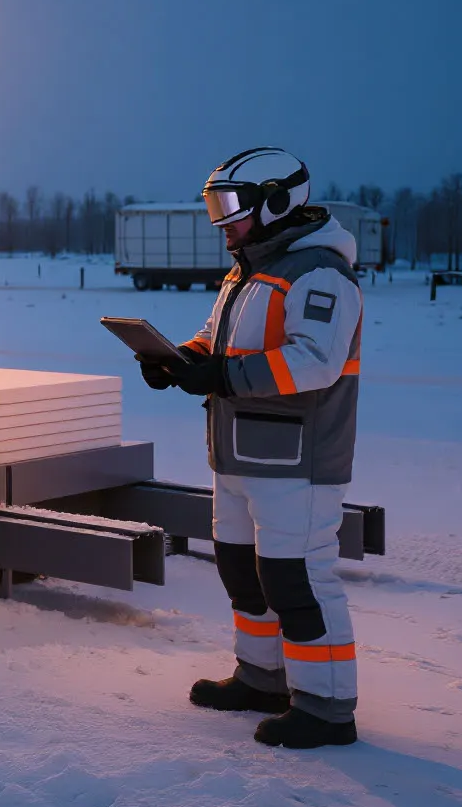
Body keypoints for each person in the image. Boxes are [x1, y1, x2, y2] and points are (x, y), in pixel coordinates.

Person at [140, 147, 364, 749]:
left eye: (232, 206)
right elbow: (217, 339)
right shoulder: (247, 271)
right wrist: (181, 358)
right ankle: (262, 678)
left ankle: (326, 706)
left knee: (298, 580)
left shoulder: (318, 273)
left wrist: (220, 378)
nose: (222, 221)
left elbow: (314, 362)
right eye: (215, 205)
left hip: (298, 461)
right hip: (239, 456)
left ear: (276, 199)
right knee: (243, 573)